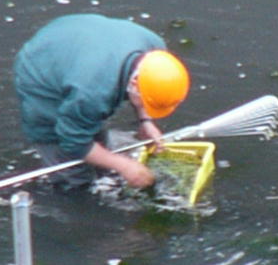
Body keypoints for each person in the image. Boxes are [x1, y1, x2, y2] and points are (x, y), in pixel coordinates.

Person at [13, 13, 190, 190]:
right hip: (39, 66)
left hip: (76, 40)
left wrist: (145, 121)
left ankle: (98, 156)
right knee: (73, 176)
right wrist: (124, 166)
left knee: (91, 134)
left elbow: (142, 89)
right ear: (134, 84)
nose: (147, 108)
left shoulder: (156, 51)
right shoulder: (91, 92)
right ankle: (68, 184)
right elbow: (73, 142)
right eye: (147, 104)